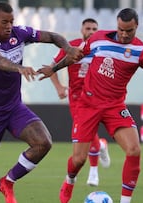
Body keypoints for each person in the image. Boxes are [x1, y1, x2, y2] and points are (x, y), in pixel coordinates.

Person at [37, 8, 143, 203]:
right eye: (121, 29)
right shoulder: (98, 38)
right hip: (88, 104)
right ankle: (69, 180)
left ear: (137, 27)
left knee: (134, 150)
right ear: (116, 25)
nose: (124, 34)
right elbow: (76, 55)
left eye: (129, 31)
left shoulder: (141, 51)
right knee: (78, 160)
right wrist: (53, 69)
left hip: (115, 106)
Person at [0, 2, 83, 203]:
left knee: (43, 142)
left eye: (11, 21)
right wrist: (19, 68)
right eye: (4, 22)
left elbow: (51, 36)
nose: (8, 26)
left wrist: (68, 48)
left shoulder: (20, 33)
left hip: (14, 107)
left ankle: (7, 181)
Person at [49, 18, 110, 187]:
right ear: (82, 30)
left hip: (96, 97)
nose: (91, 31)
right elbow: (52, 67)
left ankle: (93, 172)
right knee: (88, 132)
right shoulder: (71, 47)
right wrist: (59, 87)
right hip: (76, 99)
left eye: (94, 29)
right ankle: (102, 146)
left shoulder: (103, 48)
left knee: (88, 133)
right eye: (88, 28)